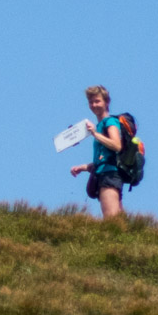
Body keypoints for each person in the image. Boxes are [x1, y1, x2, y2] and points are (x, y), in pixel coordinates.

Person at [68, 85, 126, 219]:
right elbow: (103, 159)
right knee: (120, 221)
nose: (93, 105)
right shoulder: (100, 126)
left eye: (97, 101)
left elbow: (117, 146)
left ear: (107, 102)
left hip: (109, 177)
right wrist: (83, 167)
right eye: (91, 102)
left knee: (112, 222)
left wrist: (94, 133)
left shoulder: (110, 122)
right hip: (106, 175)